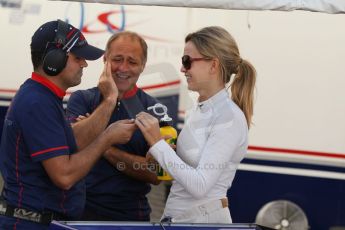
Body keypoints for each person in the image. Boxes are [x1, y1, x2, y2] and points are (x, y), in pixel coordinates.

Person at [0, 20, 136, 230]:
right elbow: (64, 176)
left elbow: (72, 142)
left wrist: (109, 101)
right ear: (54, 59)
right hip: (31, 223)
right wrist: (107, 137)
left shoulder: (41, 96)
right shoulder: (37, 102)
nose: (84, 64)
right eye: (78, 57)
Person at [135, 26, 256, 223]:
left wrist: (157, 144)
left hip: (202, 222)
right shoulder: (199, 109)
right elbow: (187, 173)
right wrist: (162, 152)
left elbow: (200, 185)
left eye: (187, 61)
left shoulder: (229, 118)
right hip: (185, 220)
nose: (182, 68)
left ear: (213, 65)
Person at [66, 31, 162, 221]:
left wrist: (104, 145)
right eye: (117, 59)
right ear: (105, 59)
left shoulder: (154, 111)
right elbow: (73, 146)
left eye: (132, 62)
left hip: (130, 218)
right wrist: (110, 99)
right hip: (79, 214)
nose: (123, 68)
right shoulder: (82, 99)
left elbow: (155, 175)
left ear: (142, 66)